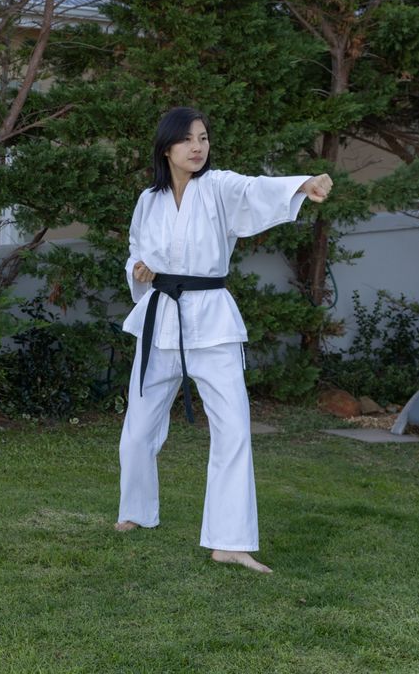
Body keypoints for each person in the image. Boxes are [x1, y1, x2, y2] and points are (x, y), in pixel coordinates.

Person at [114, 106, 331, 574]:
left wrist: (300, 185)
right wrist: (138, 270)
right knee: (138, 429)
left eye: (204, 138)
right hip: (161, 317)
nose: (198, 147)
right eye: (187, 139)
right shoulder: (148, 200)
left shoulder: (218, 187)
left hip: (212, 321)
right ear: (166, 148)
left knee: (232, 428)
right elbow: (135, 248)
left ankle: (228, 541)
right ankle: (136, 510)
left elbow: (253, 190)